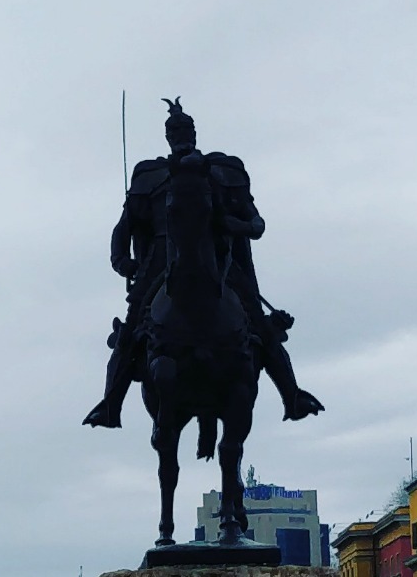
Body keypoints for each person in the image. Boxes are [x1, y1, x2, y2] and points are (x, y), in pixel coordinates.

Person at [83, 97, 323, 430]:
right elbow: (124, 228)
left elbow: (255, 222)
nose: (181, 135)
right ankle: (111, 404)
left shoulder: (225, 171)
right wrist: (122, 261)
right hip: (159, 263)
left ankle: (292, 396)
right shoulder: (148, 176)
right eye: (175, 131)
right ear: (168, 137)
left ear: (194, 133)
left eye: (186, 129)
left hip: (219, 259)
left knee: (259, 323)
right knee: (130, 330)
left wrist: (235, 225)